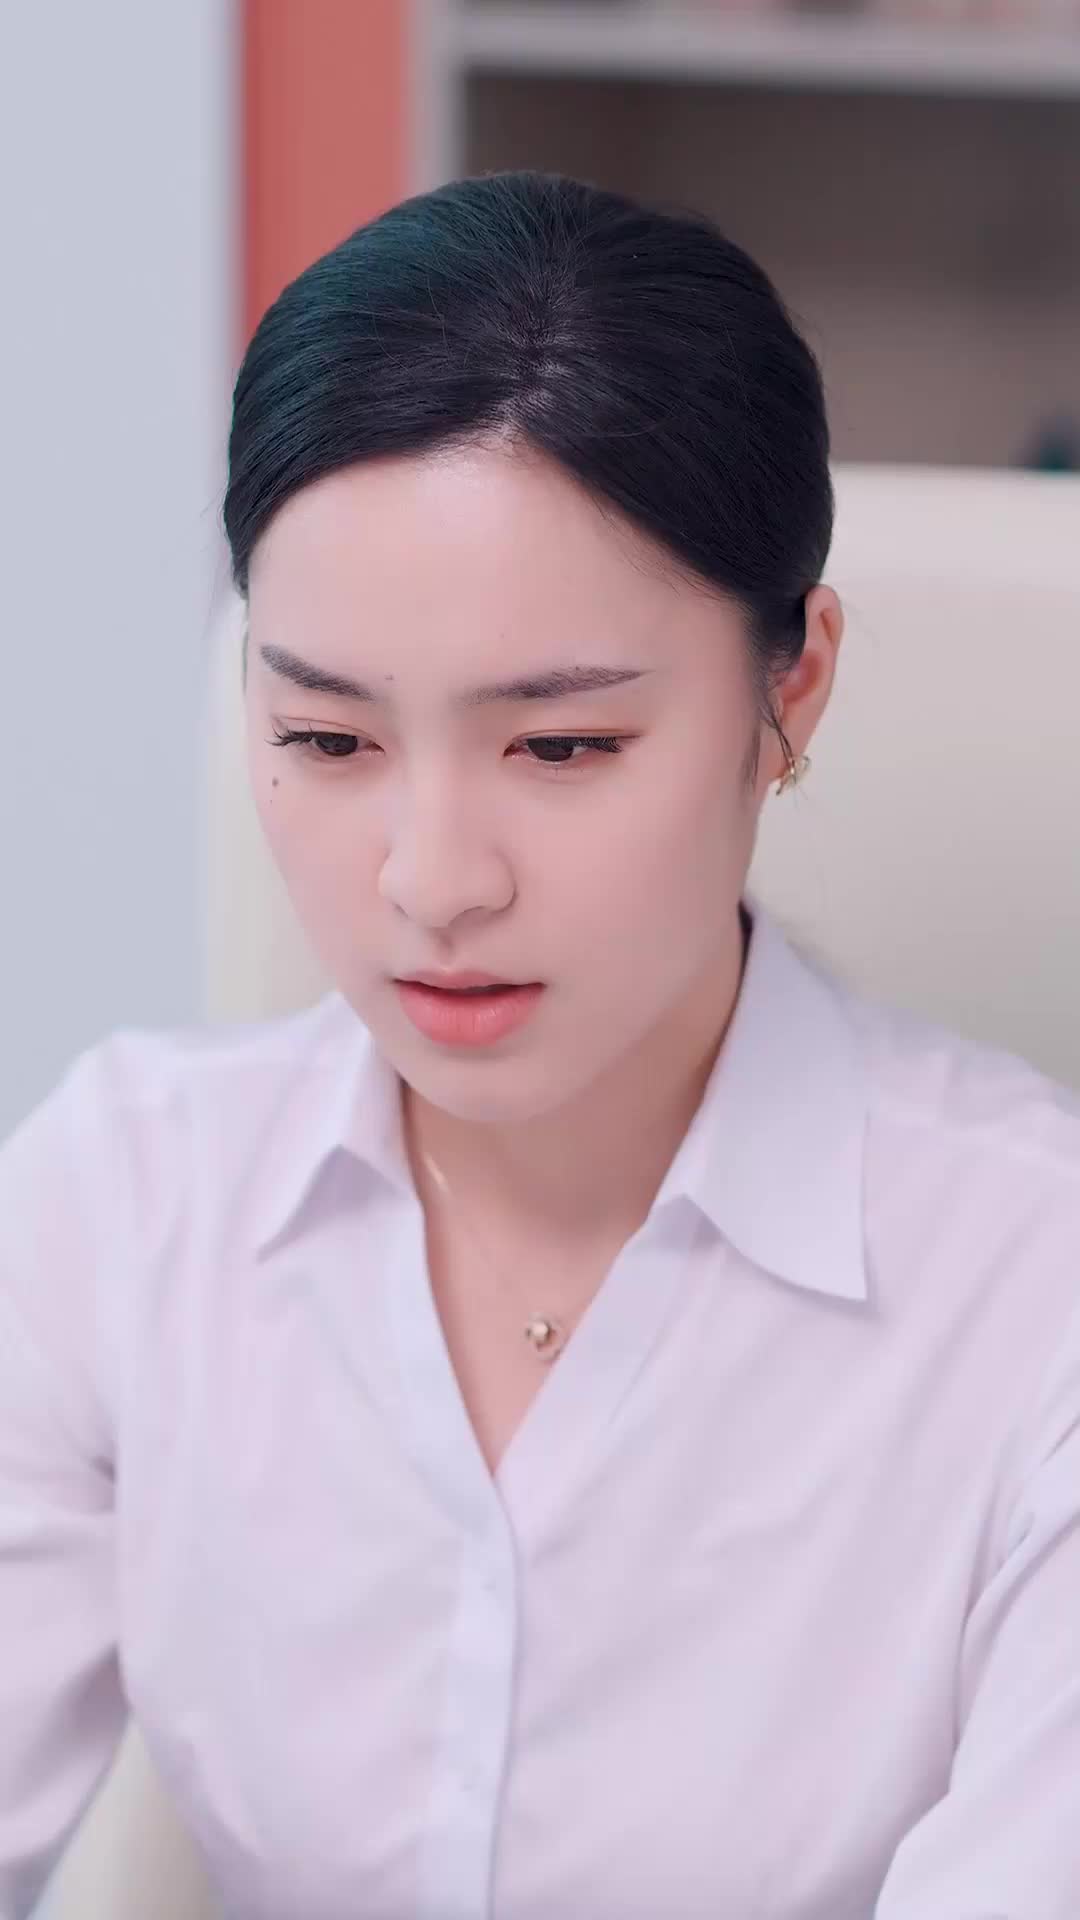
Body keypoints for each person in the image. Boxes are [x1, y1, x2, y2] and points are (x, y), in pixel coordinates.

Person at [1, 169, 1078, 1920]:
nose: (433, 882)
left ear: (792, 686)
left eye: (562, 749)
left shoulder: (1036, 1299)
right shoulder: (123, 1204)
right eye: (328, 741)